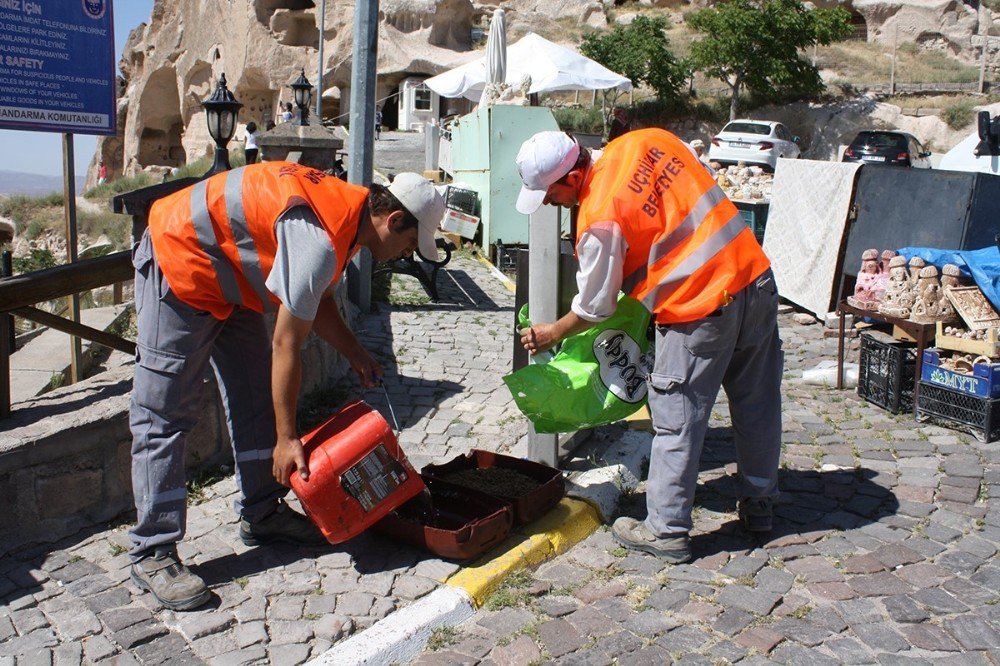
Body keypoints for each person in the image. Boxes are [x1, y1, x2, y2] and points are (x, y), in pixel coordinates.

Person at [128, 162, 445, 610]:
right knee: (164, 413)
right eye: (410, 243)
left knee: (256, 396)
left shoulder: (346, 218)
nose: (405, 254)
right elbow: (287, 343)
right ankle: (153, 549)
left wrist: (355, 353)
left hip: (228, 280)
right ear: (392, 220)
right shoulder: (317, 237)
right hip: (178, 258)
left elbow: (318, 298)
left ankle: (262, 513)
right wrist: (286, 438)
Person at [514, 129, 782, 564]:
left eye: (549, 194)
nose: (549, 203)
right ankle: (760, 503)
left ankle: (666, 531)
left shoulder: (600, 216)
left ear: (573, 174)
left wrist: (553, 332)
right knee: (758, 404)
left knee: (678, 419)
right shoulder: (645, 140)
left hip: (699, 308)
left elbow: (595, 305)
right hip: (755, 278)